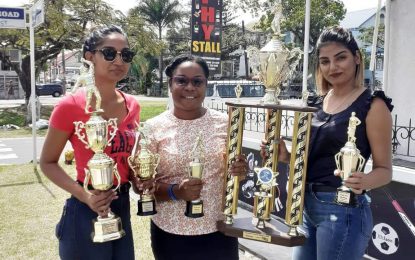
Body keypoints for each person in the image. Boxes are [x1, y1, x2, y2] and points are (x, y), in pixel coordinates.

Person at [261, 26, 393, 260]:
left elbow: (385, 171)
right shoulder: (315, 102)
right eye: (325, 61)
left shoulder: (372, 105)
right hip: (305, 206)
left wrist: (363, 181)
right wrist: (285, 156)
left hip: (343, 210)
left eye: (340, 58)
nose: (333, 67)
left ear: (356, 58)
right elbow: (310, 160)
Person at [40, 25, 151, 260]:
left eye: (126, 54)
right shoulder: (71, 105)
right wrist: (85, 196)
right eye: (109, 53)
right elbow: (48, 163)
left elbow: (125, 158)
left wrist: (137, 179)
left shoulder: (133, 105)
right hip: (85, 208)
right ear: (90, 57)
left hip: (121, 206)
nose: (119, 60)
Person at [145, 54, 248, 260]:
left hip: (219, 231)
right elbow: (143, 186)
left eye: (197, 81)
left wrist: (241, 171)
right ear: (170, 84)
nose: (190, 87)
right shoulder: (153, 127)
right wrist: (176, 192)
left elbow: (233, 175)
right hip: (171, 234)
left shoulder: (226, 123)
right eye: (181, 80)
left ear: (206, 85)